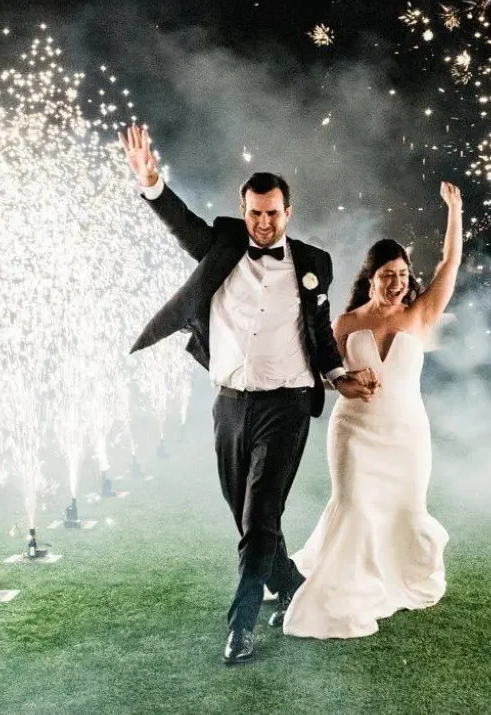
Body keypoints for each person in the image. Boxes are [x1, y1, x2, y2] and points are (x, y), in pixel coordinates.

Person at [119, 125, 376, 664]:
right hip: (230, 405)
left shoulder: (313, 263)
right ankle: (289, 582)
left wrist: (337, 377)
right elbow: (180, 223)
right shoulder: (221, 245)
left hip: (285, 405)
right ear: (243, 210)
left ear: (289, 212)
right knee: (245, 515)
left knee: (260, 516)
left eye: (273, 213)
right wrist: (152, 185)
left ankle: (241, 625)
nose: (264, 223)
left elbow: (320, 329)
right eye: (255, 213)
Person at [281, 181, 463, 639]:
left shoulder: (421, 314)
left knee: (405, 508)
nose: (397, 281)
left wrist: (454, 212)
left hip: (406, 435)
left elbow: (449, 263)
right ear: (371, 277)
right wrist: (346, 381)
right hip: (354, 433)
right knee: (356, 506)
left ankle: (395, 575)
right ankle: (344, 590)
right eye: (388, 274)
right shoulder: (346, 323)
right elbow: (327, 370)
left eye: (402, 273)